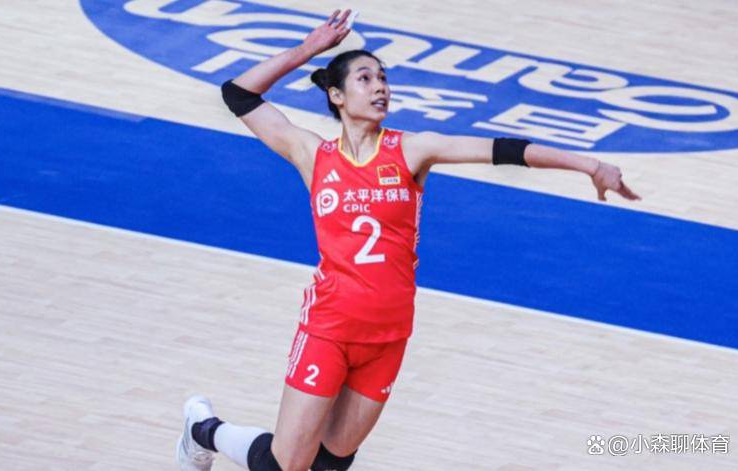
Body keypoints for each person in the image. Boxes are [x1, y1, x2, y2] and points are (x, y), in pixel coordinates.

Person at [177, 9, 640, 471]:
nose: (380, 87)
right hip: (329, 328)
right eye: (365, 79)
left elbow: (503, 150)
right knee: (287, 466)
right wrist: (309, 48)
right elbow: (239, 93)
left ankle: (211, 434)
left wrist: (589, 165)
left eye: (383, 78)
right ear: (336, 95)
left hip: (389, 334)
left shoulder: (412, 150)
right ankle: (203, 431)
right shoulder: (312, 154)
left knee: (331, 463)